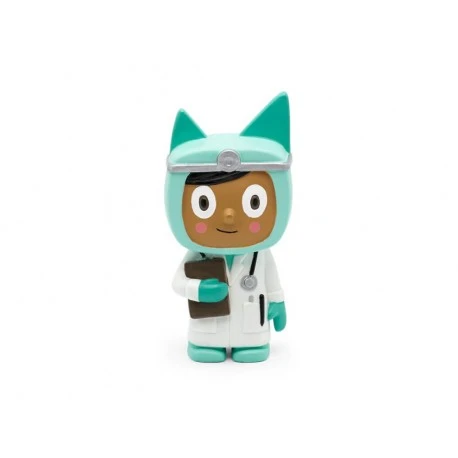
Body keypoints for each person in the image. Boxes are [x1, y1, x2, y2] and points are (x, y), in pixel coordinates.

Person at [165, 93, 293, 363]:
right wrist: (199, 290)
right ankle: (205, 345)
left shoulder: (260, 253)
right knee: (207, 342)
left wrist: (277, 300)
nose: (229, 216)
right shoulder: (197, 253)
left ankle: (251, 345)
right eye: (204, 204)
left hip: (251, 327)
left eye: (254, 202)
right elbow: (178, 282)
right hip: (207, 329)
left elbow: (271, 277)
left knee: (252, 342)